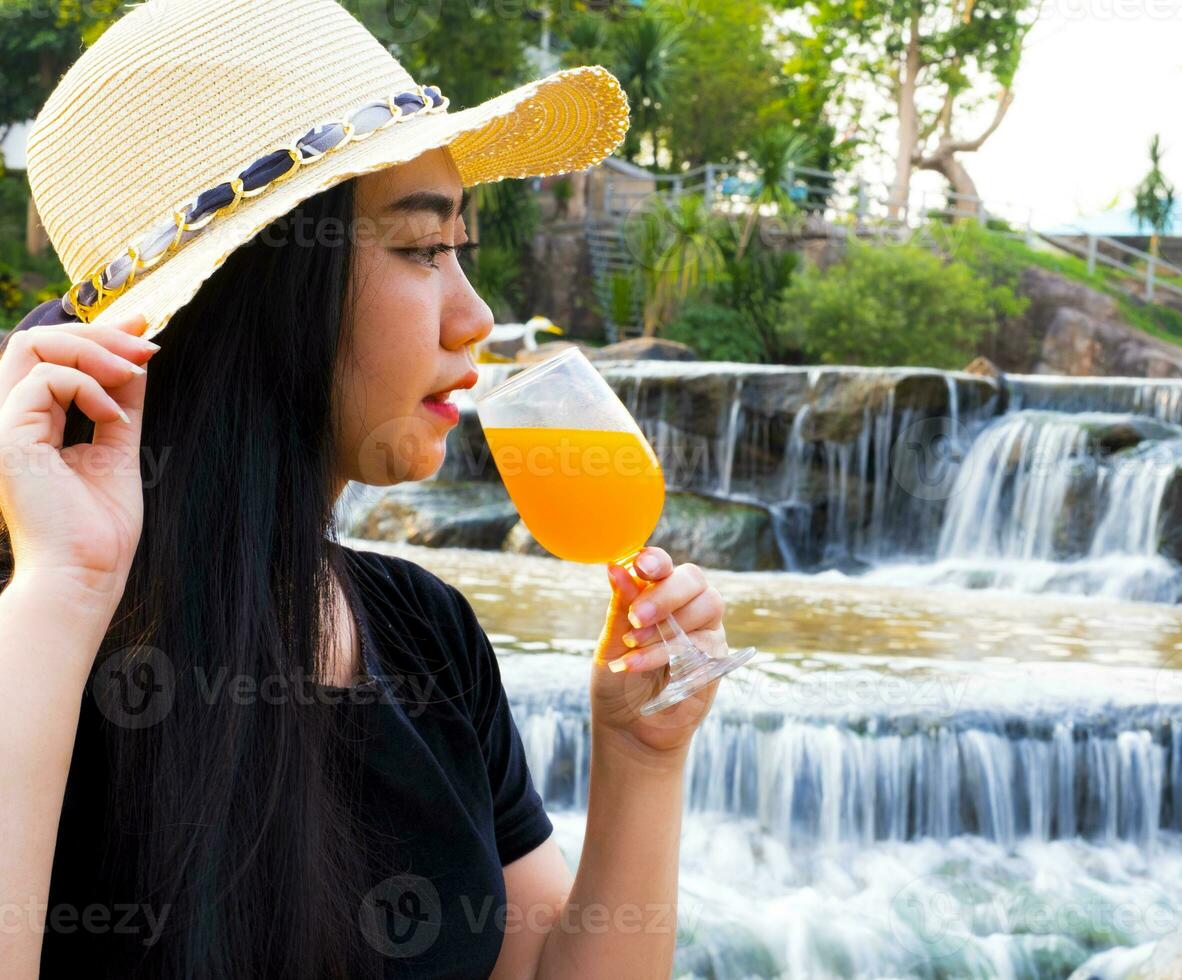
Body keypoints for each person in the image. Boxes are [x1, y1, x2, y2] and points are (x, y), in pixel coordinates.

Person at [0, 0, 730, 977]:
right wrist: (64, 588)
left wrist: (643, 756)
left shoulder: (429, 633)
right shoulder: (41, 638)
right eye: (425, 249)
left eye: (459, 249)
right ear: (257, 292)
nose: (476, 317)